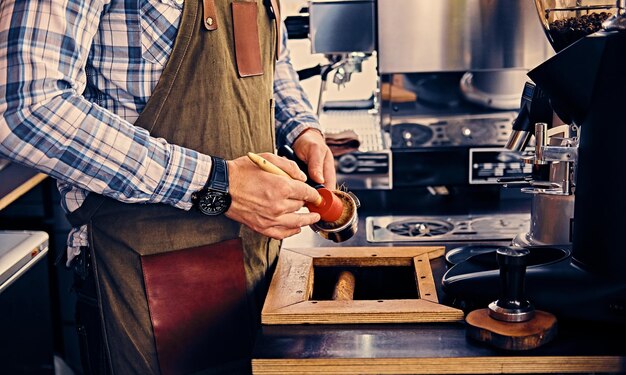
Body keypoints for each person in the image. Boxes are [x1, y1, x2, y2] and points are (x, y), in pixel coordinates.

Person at [0, 0, 336, 373]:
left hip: (259, 267)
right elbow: (26, 108)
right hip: (154, 285)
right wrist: (217, 184)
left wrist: (303, 127)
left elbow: (275, 58)